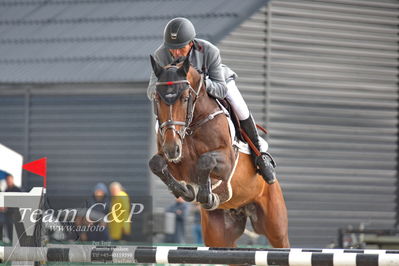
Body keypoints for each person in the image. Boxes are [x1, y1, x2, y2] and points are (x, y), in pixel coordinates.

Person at [147, 17, 276, 184]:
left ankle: (259, 155)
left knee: (239, 105)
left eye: (180, 48)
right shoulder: (161, 54)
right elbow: (151, 90)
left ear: (191, 43)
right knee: (162, 121)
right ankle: (170, 153)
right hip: (180, 97)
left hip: (215, 82)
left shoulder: (209, 51)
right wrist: (166, 88)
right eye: (172, 49)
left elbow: (221, 88)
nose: (176, 53)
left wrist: (198, 84)